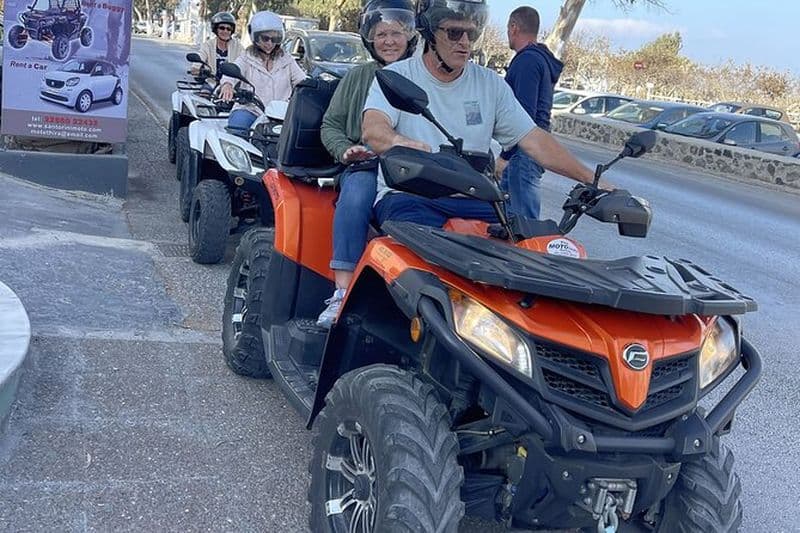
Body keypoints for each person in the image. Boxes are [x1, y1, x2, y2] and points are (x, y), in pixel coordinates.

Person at [362, 0, 597, 230]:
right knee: (424, 259)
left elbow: (534, 139)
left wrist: (594, 181)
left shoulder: (490, 84)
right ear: (431, 33)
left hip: (474, 197)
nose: (465, 43)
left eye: (471, 35)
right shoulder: (398, 76)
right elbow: (373, 129)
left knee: (523, 245)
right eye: (454, 33)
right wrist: (399, 142)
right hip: (409, 196)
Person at [316, 0, 418, 328]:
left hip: (414, 168)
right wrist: (345, 150)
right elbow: (330, 125)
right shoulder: (358, 77)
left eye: (397, 33)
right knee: (358, 192)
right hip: (366, 164)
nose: (389, 40)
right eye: (382, 34)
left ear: (411, 36)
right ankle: (342, 292)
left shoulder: (422, 76)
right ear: (369, 39)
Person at [496, 6, 563, 220]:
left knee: (522, 224)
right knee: (507, 219)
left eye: (508, 29)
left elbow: (523, 116)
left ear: (514, 28)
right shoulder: (539, 59)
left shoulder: (527, 61)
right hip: (531, 149)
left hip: (524, 152)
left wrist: (505, 156)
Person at [220, 11, 306, 132]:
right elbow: (232, 72)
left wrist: (313, 89)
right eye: (265, 38)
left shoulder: (287, 60)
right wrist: (227, 85)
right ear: (255, 37)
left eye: (274, 38)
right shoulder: (246, 57)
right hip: (251, 110)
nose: (270, 43)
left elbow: (302, 81)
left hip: (280, 114)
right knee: (236, 127)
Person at [193, 12, 244, 79]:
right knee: (204, 90)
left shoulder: (238, 47)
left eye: (229, 29)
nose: (225, 31)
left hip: (232, 84)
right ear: (215, 29)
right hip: (212, 82)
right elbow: (198, 62)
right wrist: (197, 69)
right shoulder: (208, 45)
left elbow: (246, 62)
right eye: (222, 28)